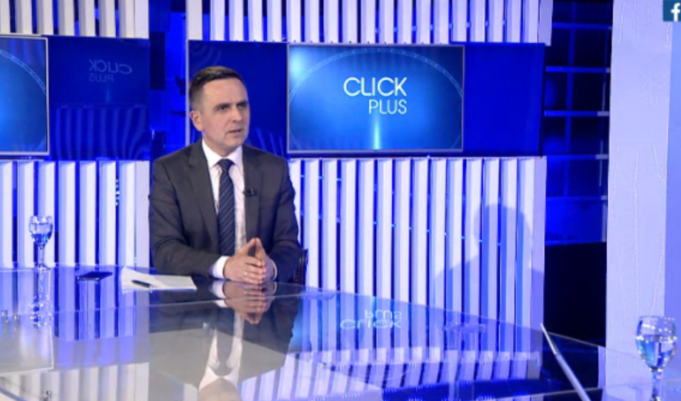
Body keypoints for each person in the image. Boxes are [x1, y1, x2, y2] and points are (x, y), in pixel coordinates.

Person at [149, 66, 300, 283]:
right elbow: (165, 250)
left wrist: (270, 267)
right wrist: (225, 267)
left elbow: (288, 246)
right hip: (194, 300)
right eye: (223, 108)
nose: (237, 117)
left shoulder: (274, 170)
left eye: (242, 106)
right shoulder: (171, 171)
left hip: (258, 297)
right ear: (197, 120)